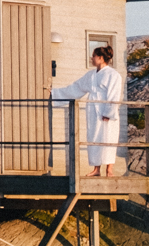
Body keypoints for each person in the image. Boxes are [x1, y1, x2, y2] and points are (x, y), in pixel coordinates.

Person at [53, 45, 124, 177]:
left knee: (108, 137)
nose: (92, 58)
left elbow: (114, 95)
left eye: (94, 56)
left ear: (101, 58)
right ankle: (96, 169)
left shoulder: (113, 75)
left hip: (106, 110)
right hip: (93, 111)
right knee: (94, 137)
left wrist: (109, 112)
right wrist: (55, 94)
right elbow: (76, 87)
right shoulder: (91, 75)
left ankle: (109, 170)